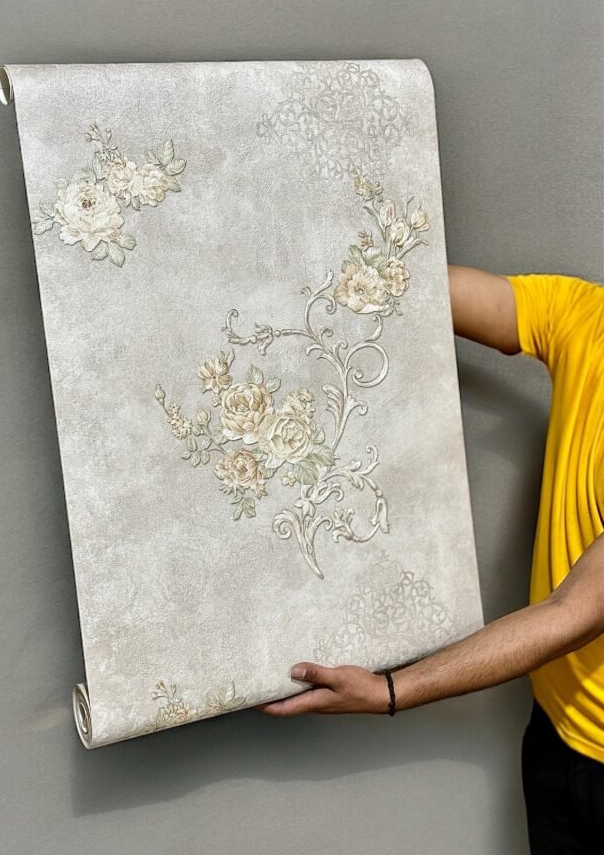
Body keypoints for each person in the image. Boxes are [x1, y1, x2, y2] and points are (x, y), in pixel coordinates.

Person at [256, 266, 604, 853]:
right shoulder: (587, 316)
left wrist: (389, 691)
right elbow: (402, 276)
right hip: (555, 731)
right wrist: (293, 254)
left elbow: (575, 612)